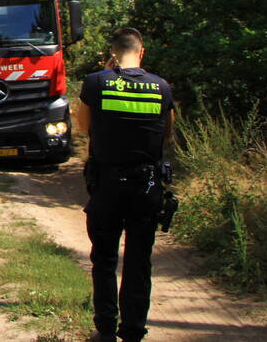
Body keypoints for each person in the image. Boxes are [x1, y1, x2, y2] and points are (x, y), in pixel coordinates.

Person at [76, 27, 175, 342]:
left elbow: (83, 128)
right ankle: (133, 331)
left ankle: (105, 330)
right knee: (138, 261)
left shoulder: (96, 83)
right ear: (141, 52)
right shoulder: (161, 88)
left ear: (112, 53)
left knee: (104, 259)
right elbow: (167, 135)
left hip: (107, 185)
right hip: (146, 187)